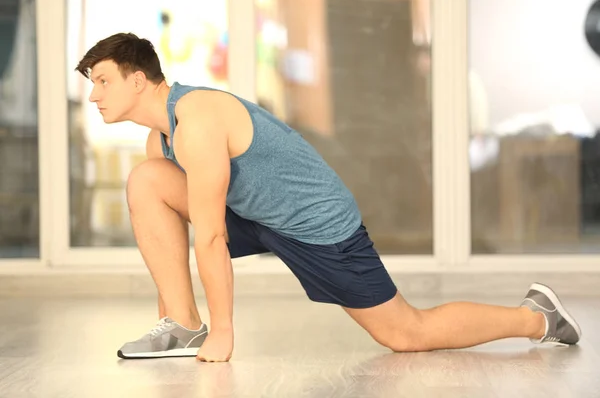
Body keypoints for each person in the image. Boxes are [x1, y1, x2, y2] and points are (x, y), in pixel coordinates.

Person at [75, 33, 582, 362]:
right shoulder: (159, 139)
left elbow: (208, 234)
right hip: (256, 212)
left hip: (317, 224)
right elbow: (170, 239)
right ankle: (182, 327)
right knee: (148, 181)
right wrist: (184, 314)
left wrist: (225, 332)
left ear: (138, 79)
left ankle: (537, 318)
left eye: (102, 81)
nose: (94, 94)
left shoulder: (197, 120)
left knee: (406, 333)